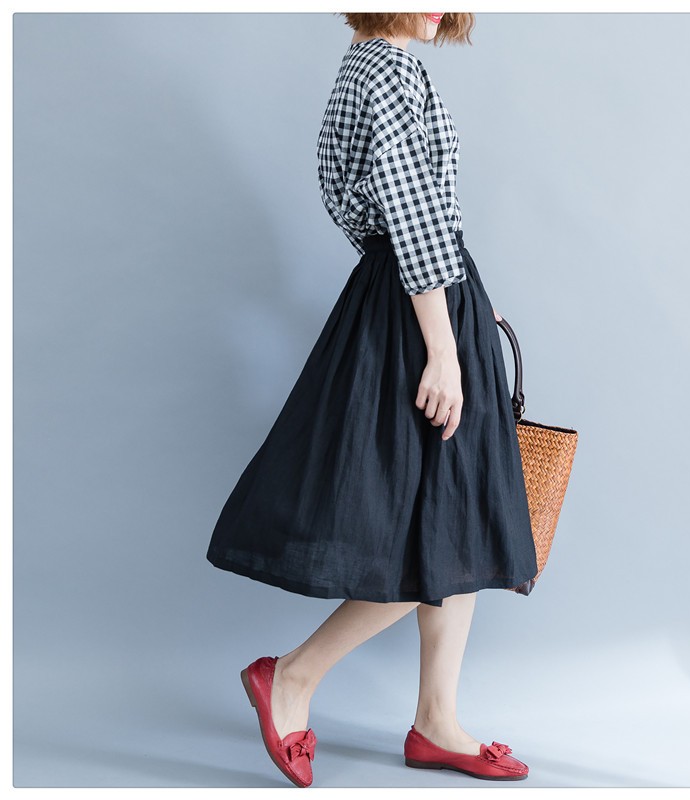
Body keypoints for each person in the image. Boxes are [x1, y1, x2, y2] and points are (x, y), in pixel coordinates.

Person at [206, 11, 538, 788]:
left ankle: (437, 721)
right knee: (430, 527)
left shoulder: (371, 65)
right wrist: (442, 342)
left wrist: (460, 298)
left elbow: (395, 215)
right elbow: (407, 214)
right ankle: (291, 677)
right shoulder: (384, 69)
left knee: (453, 517)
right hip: (420, 314)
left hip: (426, 298)